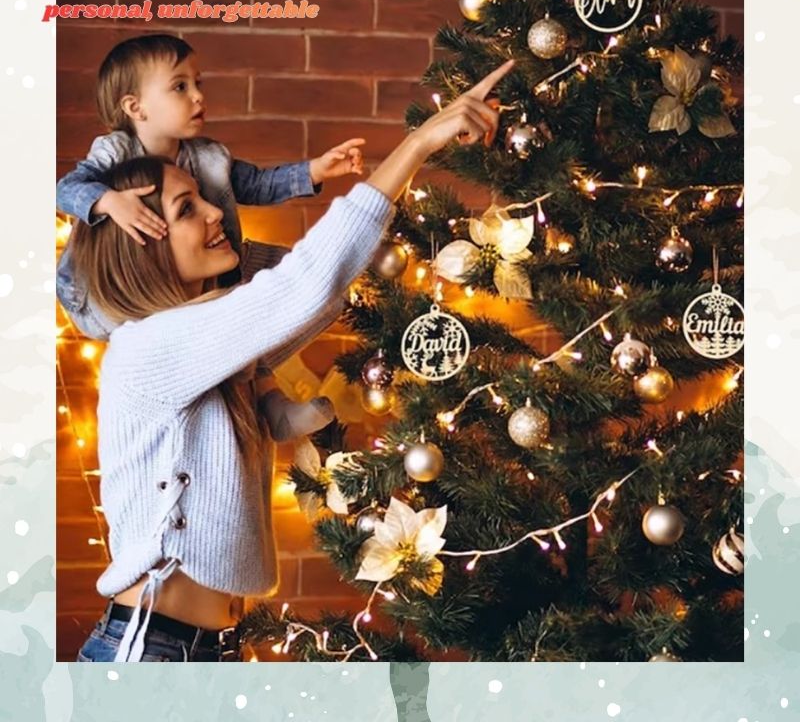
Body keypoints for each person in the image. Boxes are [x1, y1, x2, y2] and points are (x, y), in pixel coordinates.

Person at [70, 59, 514, 662]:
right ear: (140, 247)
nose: (214, 212)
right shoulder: (148, 347)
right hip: (149, 651)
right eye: (185, 210)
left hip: (202, 650)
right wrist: (417, 144)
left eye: (202, 199)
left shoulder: (210, 344)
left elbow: (317, 294)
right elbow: (303, 284)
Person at [57, 33, 365, 442]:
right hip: (122, 291)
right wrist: (109, 201)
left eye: (198, 83)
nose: (198, 96)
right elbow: (66, 188)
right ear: (135, 107)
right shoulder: (115, 152)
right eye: (180, 86)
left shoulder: (206, 156)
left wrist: (314, 170)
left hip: (210, 273)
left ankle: (270, 402)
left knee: (284, 286)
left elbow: (255, 184)